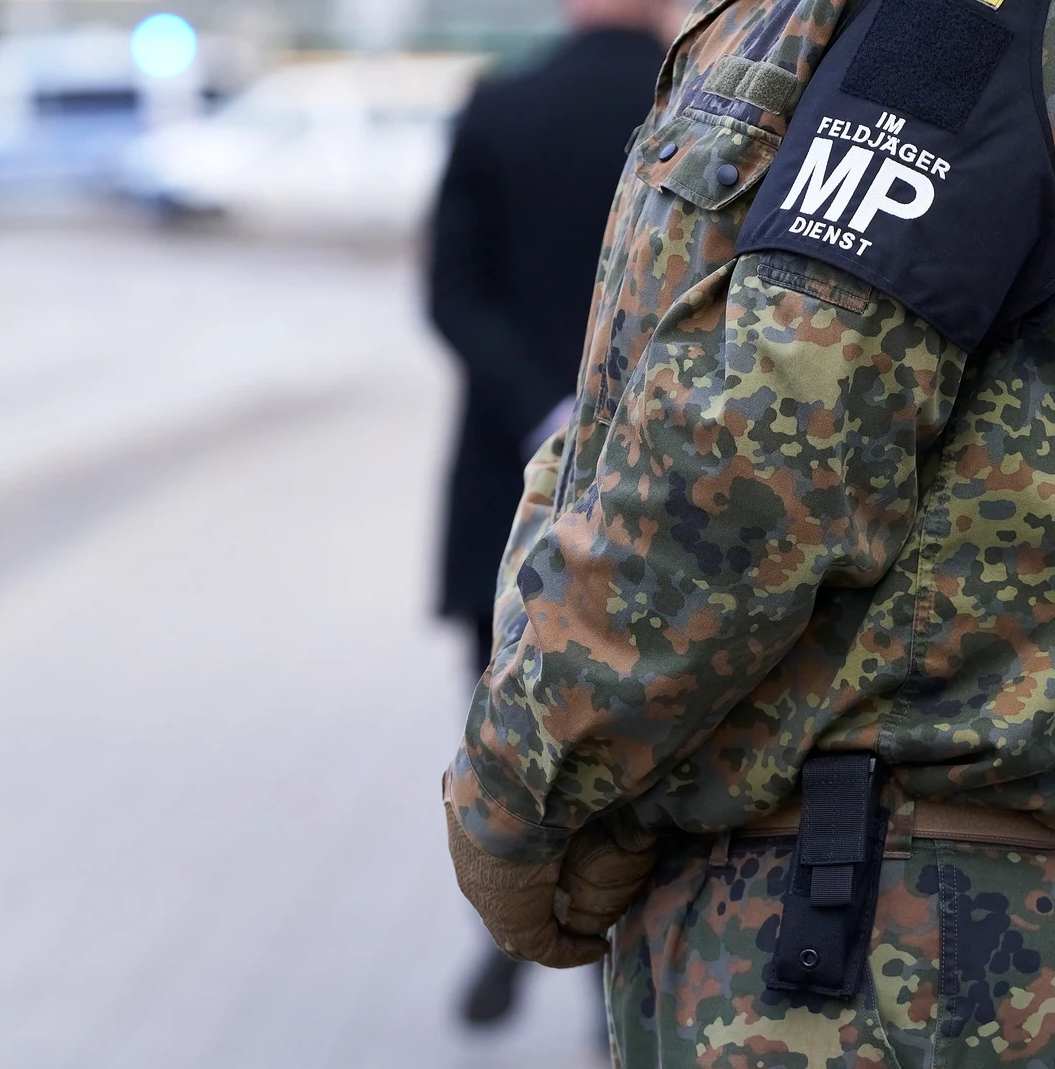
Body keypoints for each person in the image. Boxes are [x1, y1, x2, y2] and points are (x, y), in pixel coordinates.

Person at [443, 0, 1055, 1062]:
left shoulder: (954, 20)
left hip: (874, 931)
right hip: (865, 909)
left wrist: (518, 789)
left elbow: (762, 456)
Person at [426, 0, 674, 1029]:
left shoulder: (499, 104)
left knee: (503, 718)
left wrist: (547, 408)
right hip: (661, 483)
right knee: (643, 744)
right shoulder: (701, 103)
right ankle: (611, 993)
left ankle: (511, 921)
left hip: (504, 476)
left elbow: (449, 294)